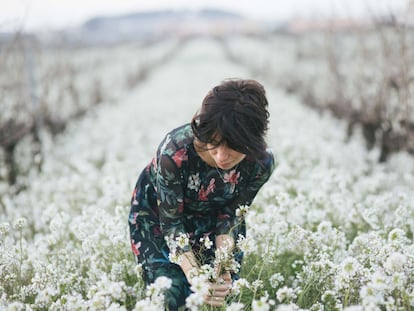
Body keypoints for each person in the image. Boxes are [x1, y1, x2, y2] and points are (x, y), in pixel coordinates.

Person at [128, 78, 275, 310]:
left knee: (221, 295)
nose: (221, 156)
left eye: (234, 145)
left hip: (215, 222)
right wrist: (195, 276)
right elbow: (172, 223)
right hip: (161, 219)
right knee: (171, 294)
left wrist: (223, 262)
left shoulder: (261, 164)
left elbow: (231, 215)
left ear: (252, 140)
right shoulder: (174, 153)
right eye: (213, 143)